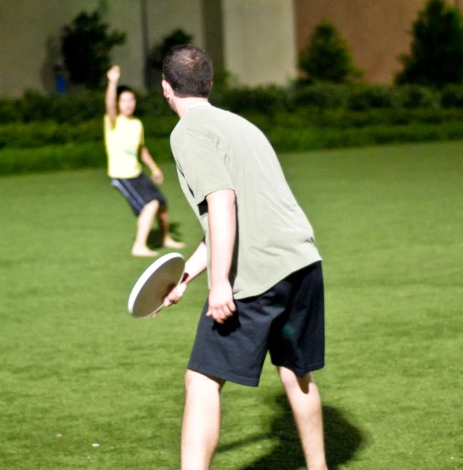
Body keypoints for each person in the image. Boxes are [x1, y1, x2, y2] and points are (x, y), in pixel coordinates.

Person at [157, 45, 327, 470]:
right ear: (210, 84)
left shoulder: (188, 132)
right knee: (295, 371)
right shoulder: (241, 125)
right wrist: (187, 276)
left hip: (257, 274)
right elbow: (244, 211)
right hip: (302, 261)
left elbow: (222, 202)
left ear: (165, 89)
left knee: (200, 380)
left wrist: (219, 284)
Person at [104, 65, 184, 257]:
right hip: (121, 175)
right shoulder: (112, 120)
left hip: (136, 172)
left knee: (161, 203)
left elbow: (141, 149)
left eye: (131, 99)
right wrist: (113, 81)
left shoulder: (137, 123)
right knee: (150, 205)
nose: (129, 103)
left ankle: (165, 238)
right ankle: (139, 246)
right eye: (124, 100)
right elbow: (109, 106)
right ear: (117, 103)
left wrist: (154, 168)